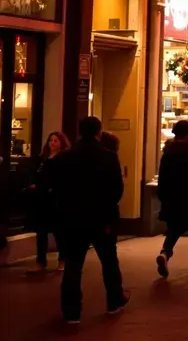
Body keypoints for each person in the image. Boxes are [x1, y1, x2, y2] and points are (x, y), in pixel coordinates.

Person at [54, 116, 128, 323]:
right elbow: (116, 190)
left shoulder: (64, 158)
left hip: (73, 219)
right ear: (99, 132)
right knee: (109, 261)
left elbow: (58, 190)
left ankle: (72, 312)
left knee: (73, 266)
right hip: (101, 219)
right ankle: (114, 301)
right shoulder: (108, 157)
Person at [156, 121, 188, 278]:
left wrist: (163, 195)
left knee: (174, 227)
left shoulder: (169, 152)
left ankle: (165, 253)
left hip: (173, 196)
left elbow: (162, 177)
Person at [26, 131, 68, 274]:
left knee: (59, 232)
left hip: (56, 199)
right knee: (41, 232)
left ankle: (62, 260)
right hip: (42, 199)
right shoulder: (43, 159)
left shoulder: (63, 159)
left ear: (61, 143)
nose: (53, 143)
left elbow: (60, 180)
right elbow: (38, 175)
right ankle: (41, 261)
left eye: (56, 140)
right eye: (51, 140)